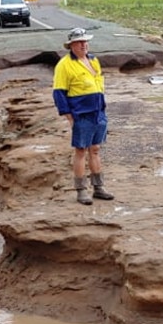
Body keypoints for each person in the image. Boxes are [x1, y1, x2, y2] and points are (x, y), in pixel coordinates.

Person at [53, 27, 114, 205]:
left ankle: (99, 188)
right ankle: (81, 190)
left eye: (85, 41)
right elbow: (59, 93)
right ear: (71, 45)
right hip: (81, 114)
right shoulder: (64, 65)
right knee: (80, 151)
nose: (83, 44)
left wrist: (102, 109)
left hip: (98, 113)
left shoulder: (93, 60)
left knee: (95, 149)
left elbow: (98, 85)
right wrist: (69, 117)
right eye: (79, 42)